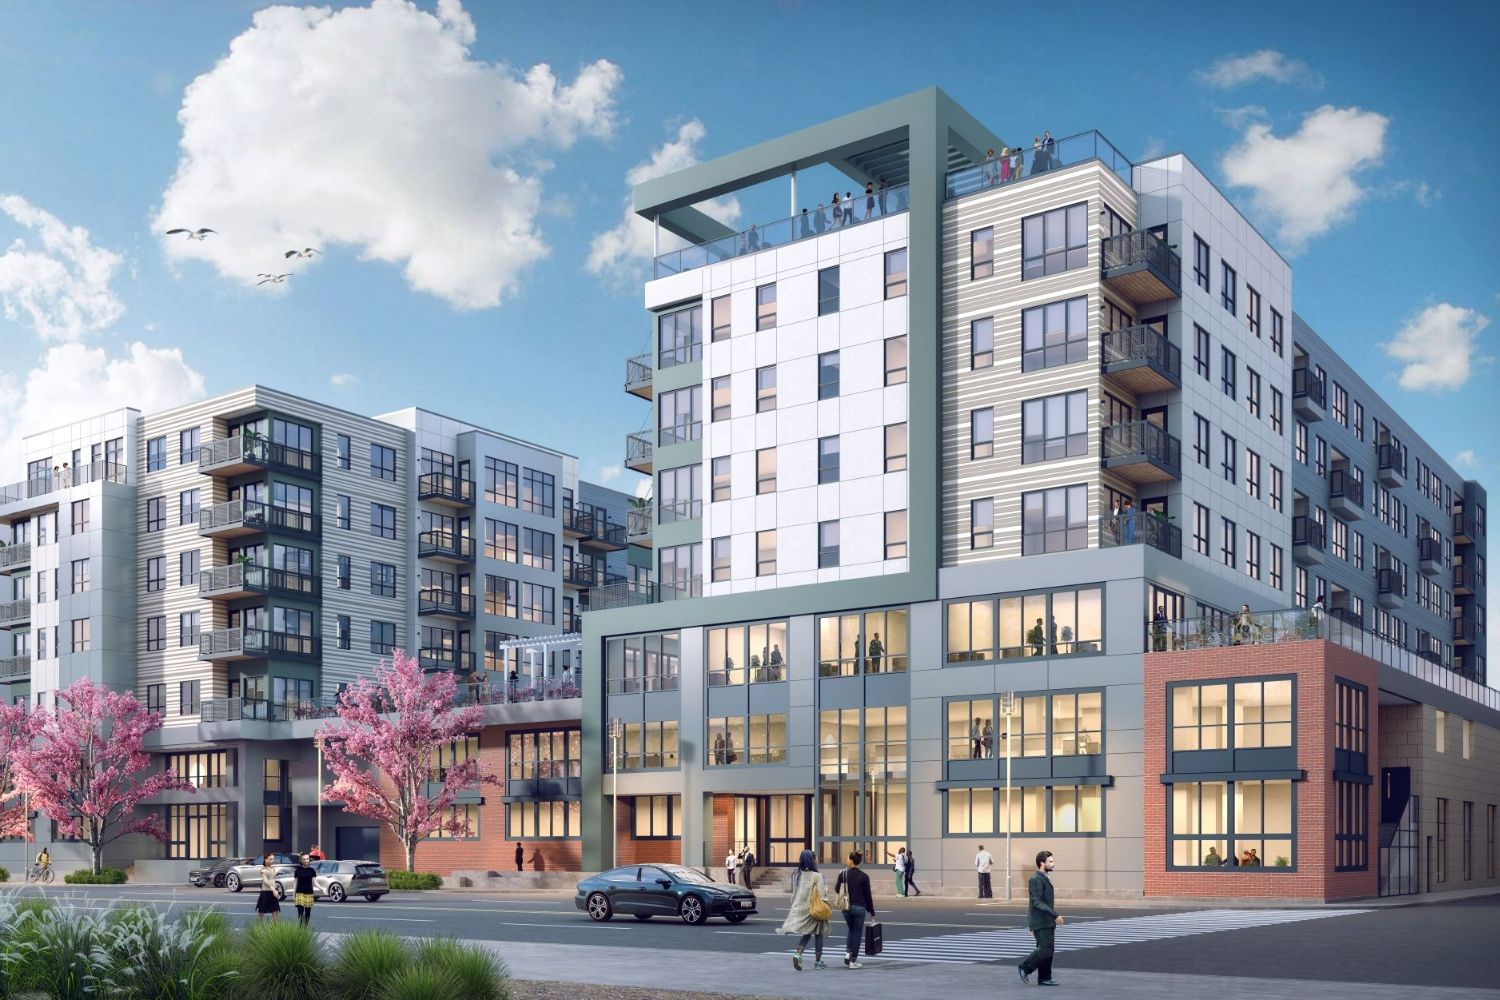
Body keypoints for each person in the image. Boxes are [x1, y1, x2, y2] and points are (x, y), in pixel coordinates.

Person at [779, 849, 830, 970]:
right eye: (815, 857)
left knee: (807, 932)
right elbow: (822, 894)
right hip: (815, 909)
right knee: (819, 933)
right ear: (812, 860)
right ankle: (818, 962)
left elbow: (794, 895)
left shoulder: (798, 875)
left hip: (802, 909)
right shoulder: (817, 876)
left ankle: (798, 954)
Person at [1017, 850, 1062, 986]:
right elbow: (1036, 902)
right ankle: (1025, 967)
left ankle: (1044, 978)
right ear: (1042, 863)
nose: (1053, 864)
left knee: (1048, 950)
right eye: (1050, 861)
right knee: (1045, 949)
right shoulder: (1035, 879)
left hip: (1046, 920)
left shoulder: (1044, 877)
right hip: (1040, 920)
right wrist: (1055, 914)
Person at [835, 850, 876, 968]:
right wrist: (872, 912)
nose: (847, 861)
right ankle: (853, 960)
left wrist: (839, 878)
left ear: (851, 861)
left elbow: (837, 890)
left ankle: (848, 953)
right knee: (857, 932)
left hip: (846, 907)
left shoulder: (843, 874)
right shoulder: (864, 876)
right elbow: (868, 895)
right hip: (859, 907)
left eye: (848, 858)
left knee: (851, 929)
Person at [292, 853, 317, 927]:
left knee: (308, 912)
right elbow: (295, 883)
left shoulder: (312, 870)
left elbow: (315, 882)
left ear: (309, 860)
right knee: (300, 912)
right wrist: (293, 894)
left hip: (309, 893)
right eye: (304, 859)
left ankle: (305, 927)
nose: (306, 860)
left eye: (307, 859)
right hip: (299, 893)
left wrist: (322, 888)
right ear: (301, 860)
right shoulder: (297, 871)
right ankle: (300, 928)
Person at [255, 853, 281, 923]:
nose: (273, 860)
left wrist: (276, 889)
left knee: (275, 912)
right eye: (271, 859)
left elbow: (273, 880)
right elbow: (266, 881)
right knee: (261, 912)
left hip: (273, 892)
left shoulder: (273, 868)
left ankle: (275, 931)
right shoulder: (263, 870)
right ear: (266, 860)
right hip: (265, 892)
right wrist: (273, 889)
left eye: (273, 859)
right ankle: (259, 930)